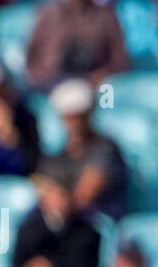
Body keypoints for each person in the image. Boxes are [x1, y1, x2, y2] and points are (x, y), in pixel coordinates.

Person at [25, 0, 129, 91]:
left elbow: (120, 61)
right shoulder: (47, 13)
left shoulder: (105, 15)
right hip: (54, 90)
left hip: (96, 90)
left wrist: (102, 75)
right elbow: (32, 61)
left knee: (110, 99)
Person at [38, 77, 130, 220]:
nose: (75, 123)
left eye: (80, 116)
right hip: (67, 220)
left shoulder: (106, 148)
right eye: (69, 117)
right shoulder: (59, 153)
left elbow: (85, 195)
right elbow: (45, 184)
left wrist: (63, 205)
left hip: (96, 221)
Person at [11, 163, 103, 267]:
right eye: (56, 194)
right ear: (43, 198)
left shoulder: (87, 230)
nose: (61, 201)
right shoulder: (29, 229)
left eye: (65, 194)